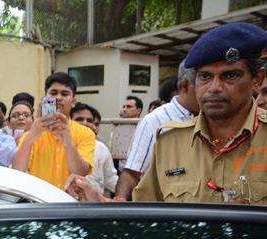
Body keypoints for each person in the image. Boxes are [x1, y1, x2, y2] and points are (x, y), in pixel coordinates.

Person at [67, 22, 267, 205]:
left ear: (258, 79)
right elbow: (144, 214)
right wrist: (100, 201)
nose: (214, 87)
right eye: (205, 77)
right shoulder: (169, 142)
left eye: (230, 76)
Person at [112, 61, 200, 200]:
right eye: (205, 80)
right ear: (185, 86)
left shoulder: (215, 119)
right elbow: (132, 172)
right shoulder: (155, 121)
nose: (214, 89)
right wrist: (120, 202)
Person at [12, 72, 94, 188]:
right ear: (45, 97)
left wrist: (68, 141)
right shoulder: (32, 134)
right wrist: (31, 136)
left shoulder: (85, 133)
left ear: (73, 102)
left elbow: (81, 172)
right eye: (53, 93)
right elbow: (17, 171)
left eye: (64, 94)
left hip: (71, 200)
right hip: (40, 199)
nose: (58, 98)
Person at [70, 103, 117, 196]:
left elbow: (111, 180)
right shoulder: (61, 145)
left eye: (89, 120)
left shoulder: (101, 148)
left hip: (95, 205)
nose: (85, 123)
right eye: (79, 119)